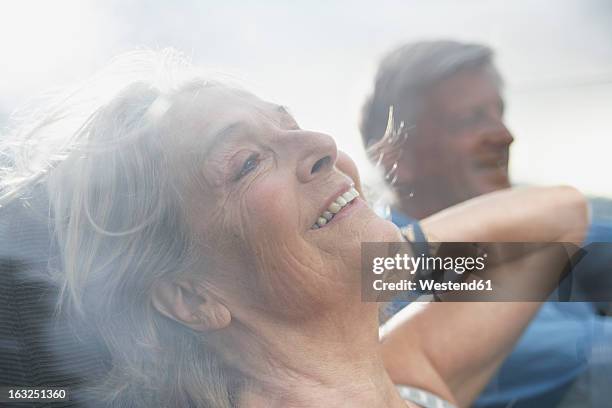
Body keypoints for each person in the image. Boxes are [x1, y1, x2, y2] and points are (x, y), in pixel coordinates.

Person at [0, 49, 588, 408]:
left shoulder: (403, 376)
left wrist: (388, 258)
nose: (320, 145)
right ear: (191, 297)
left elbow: (558, 224)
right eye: (247, 162)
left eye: (291, 125)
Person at [361, 40, 612, 407]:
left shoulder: (525, 228)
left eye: (499, 113)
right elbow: (589, 363)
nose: (505, 135)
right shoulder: (389, 285)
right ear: (396, 157)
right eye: (470, 119)